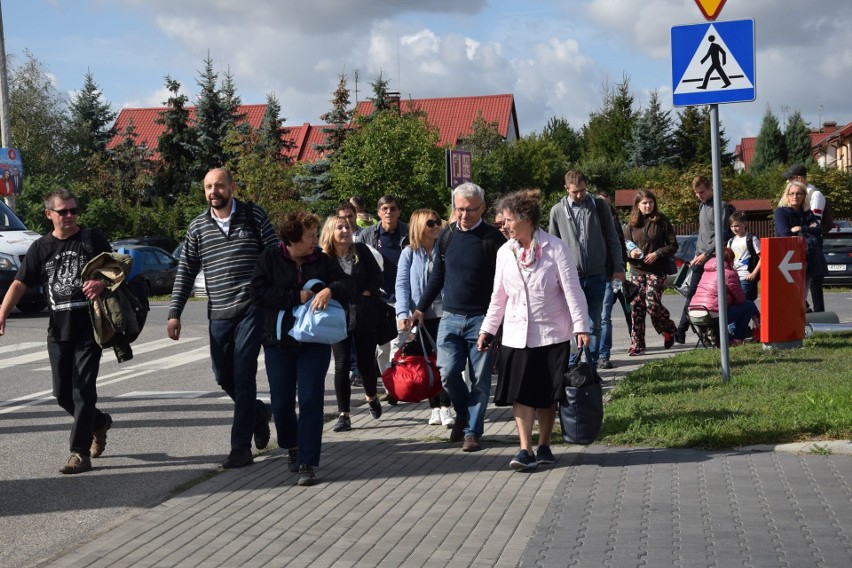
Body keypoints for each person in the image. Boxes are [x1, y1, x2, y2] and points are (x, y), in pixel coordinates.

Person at [168, 168, 278, 469]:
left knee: (243, 373)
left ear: (232, 187)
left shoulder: (253, 216)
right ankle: (257, 412)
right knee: (222, 375)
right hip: (219, 312)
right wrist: (174, 312)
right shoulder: (198, 227)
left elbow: (275, 253)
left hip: (252, 307)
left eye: (218, 186)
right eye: (208, 187)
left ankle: (239, 448)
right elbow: (186, 272)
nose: (213, 191)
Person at [0, 189, 113, 474]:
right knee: (62, 393)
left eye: (74, 210)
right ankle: (99, 422)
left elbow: (116, 268)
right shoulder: (41, 248)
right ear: (49, 214)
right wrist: (2, 312)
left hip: (90, 329)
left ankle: (79, 453)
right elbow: (20, 283)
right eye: (63, 211)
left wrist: (101, 283)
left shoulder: (91, 238)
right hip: (58, 332)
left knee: (83, 392)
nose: (71, 216)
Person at [479, 190, 590, 471]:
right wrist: (488, 330)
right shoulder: (505, 252)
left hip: (552, 333)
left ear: (525, 218)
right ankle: (524, 449)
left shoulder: (555, 248)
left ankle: (544, 445)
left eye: (507, 219)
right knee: (521, 392)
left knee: (546, 394)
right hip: (516, 335)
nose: (502, 225)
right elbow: (498, 296)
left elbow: (572, 291)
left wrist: (581, 326)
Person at [251, 211, 352, 487]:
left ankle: (307, 462)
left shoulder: (321, 259)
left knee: (310, 401)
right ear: (293, 238)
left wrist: (329, 290)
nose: (315, 240)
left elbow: (346, 284)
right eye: (310, 236)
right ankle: (291, 445)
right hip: (278, 340)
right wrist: (294, 297)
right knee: (282, 404)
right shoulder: (270, 258)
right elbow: (258, 294)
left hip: (314, 342)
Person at [411, 183, 506, 452]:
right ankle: (463, 414)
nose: (464, 215)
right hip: (450, 317)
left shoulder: (493, 239)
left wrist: (499, 320)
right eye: (459, 209)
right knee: (447, 372)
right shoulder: (448, 235)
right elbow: (437, 275)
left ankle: (472, 432)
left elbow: (504, 282)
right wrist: (420, 308)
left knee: (480, 380)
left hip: (482, 320)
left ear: (483, 209)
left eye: (470, 210)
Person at [548, 170, 625, 369]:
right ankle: (572, 366)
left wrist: (618, 267)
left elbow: (612, 239)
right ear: (566, 189)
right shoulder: (557, 211)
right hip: (569, 277)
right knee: (570, 324)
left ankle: (590, 368)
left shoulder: (599, 206)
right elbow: (552, 246)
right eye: (575, 192)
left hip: (597, 274)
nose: (580, 195)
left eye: (582, 190)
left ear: (587, 185)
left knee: (594, 323)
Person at [319, 215, 383, 433]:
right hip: (338, 317)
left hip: (364, 314)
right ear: (330, 232)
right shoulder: (323, 258)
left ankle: (371, 396)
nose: (345, 231)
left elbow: (376, 276)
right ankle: (344, 415)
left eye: (347, 227)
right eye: (340, 227)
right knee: (341, 364)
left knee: (366, 364)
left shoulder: (361, 251)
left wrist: (366, 293)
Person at [395, 209, 454, 427]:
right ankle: (435, 407)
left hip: (445, 313)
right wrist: (402, 313)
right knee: (426, 362)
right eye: (431, 223)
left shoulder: (445, 249)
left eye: (438, 222)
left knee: (445, 361)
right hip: (419, 316)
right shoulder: (409, 253)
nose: (437, 226)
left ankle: (446, 406)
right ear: (419, 226)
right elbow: (401, 285)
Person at [356, 195, 409, 400]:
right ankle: (389, 386)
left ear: (398, 211)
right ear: (378, 212)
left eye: (392, 208)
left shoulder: (408, 233)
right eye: (384, 208)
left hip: (403, 296)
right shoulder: (368, 235)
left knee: (397, 343)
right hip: (378, 297)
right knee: (382, 348)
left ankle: (397, 385)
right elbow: (357, 262)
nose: (389, 212)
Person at [675, 175, 733, 344]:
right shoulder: (701, 206)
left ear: (710, 188)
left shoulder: (721, 206)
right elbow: (702, 234)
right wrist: (696, 254)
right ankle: (684, 331)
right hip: (700, 257)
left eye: (702, 192)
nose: (699, 195)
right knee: (692, 295)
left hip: (713, 258)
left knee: (709, 297)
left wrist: (705, 254)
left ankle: (693, 331)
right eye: (696, 193)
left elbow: (722, 235)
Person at [623, 190, 679, 356]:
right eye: (644, 203)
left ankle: (668, 328)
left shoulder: (661, 221)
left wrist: (657, 253)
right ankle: (637, 344)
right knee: (636, 307)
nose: (648, 206)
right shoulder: (631, 224)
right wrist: (630, 253)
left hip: (657, 270)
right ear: (638, 205)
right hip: (636, 271)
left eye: (650, 202)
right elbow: (624, 245)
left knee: (652, 304)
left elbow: (673, 245)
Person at [774, 180, 825, 311]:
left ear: (804, 196)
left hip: (807, 258)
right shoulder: (781, 212)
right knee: (789, 294)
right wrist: (807, 229)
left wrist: (801, 228)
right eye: (791, 193)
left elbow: (819, 230)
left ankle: (801, 325)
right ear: (787, 195)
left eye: (799, 193)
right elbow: (784, 233)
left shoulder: (807, 213)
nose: (795, 197)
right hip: (787, 260)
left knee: (802, 294)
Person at [689, 248, 756, 345]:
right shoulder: (728, 273)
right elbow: (741, 299)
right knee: (748, 306)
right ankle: (738, 338)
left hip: (694, 312)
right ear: (730, 260)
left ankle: (718, 337)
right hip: (712, 314)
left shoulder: (706, 271)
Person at [595, 189, 627, 369]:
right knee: (592, 318)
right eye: (601, 203)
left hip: (609, 275)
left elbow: (619, 244)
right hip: (591, 274)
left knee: (604, 315)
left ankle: (603, 355)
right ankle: (588, 355)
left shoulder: (613, 222)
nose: (605, 207)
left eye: (607, 203)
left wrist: (619, 269)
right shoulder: (590, 220)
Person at [727, 211, 761, 301]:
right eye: (732, 226)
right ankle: (756, 315)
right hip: (734, 276)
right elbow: (728, 259)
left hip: (746, 276)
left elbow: (763, 257)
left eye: (737, 226)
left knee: (742, 301)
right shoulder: (731, 241)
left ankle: (755, 315)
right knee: (744, 301)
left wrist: (754, 273)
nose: (734, 229)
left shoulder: (751, 239)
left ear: (745, 224)